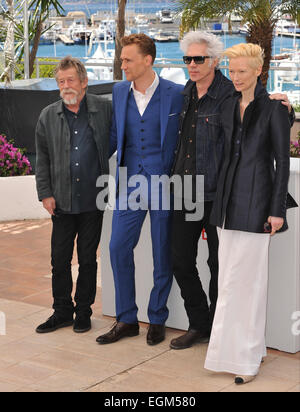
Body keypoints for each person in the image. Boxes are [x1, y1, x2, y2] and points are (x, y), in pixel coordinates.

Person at [169, 31, 295, 351]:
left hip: (219, 194)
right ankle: (201, 323)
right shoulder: (184, 93)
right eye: (187, 59)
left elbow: (260, 123)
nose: (192, 65)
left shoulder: (228, 94)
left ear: (214, 62)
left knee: (220, 268)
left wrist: (287, 109)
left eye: (199, 59)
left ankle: (218, 331)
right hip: (186, 190)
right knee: (180, 259)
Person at [204, 43, 297, 384]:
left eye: (242, 71)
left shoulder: (273, 109)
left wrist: (277, 212)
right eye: (232, 70)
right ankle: (240, 352)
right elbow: (223, 158)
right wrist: (212, 207)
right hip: (226, 207)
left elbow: (281, 163)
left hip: (258, 206)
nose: (236, 76)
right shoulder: (228, 104)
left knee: (249, 285)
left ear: (258, 71)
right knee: (229, 282)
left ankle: (245, 360)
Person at [96, 34, 184, 346]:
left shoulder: (176, 93)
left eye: (127, 60)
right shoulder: (119, 91)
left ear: (148, 60)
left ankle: (157, 317)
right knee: (118, 247)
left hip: (164, 183)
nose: (122, 65)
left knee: (163, 253)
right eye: (122, 59)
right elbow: (112, 135)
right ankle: (127, 319)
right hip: (130, 181)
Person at [35, 56, 112, 334]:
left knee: (88, 259)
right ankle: (62, 311)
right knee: (59, 260)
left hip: (94, 199)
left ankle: (83, 312)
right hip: (62, 201)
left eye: (70, 80)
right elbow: (41, 159)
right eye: (61, 81)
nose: (66, 86)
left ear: (84, 82)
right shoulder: (48, 116)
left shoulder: (104, 109)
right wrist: (45, 193)